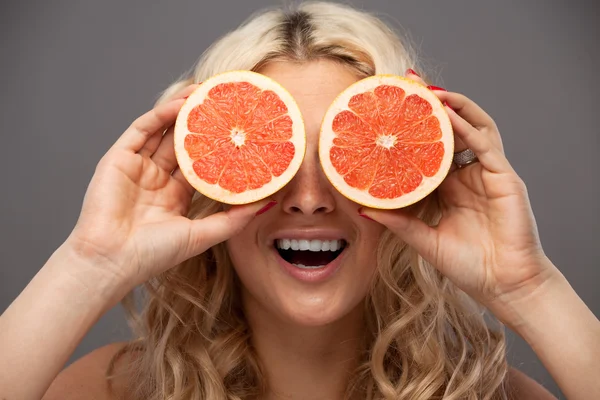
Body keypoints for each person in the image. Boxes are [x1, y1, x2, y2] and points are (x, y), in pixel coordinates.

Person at [1, 2, 598, 399]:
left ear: (411, 179)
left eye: (344, 161)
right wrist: (90, 262)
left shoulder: (491, 395)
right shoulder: (109, 391)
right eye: (273, 161)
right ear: (212, 185)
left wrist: (528, 287)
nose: (309, 201)